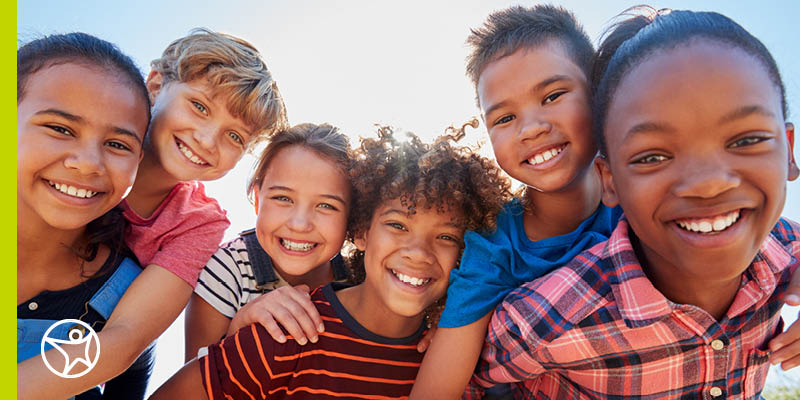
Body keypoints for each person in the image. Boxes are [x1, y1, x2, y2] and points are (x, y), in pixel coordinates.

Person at [466, 7, 800, 399]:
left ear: (789, 152)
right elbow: (473, 383)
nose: (709, 184)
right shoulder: (545, 319)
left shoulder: (778, 248)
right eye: (652, 157)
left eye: (745, 140)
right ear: (611, 180)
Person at [18, 29, 288, 399]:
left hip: (105, 343)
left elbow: (125, 341)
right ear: (157, 84)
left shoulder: (198, 221)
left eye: (235, 137)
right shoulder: (72, 159)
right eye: (199, 107)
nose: (207, 140)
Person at [150, 125, 511, 399]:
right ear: (362, 231)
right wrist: (241, 328)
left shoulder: (451, 358)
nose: (418, 252)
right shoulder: (285, 333)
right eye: (397, 225)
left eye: (447, 237)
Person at [411, 5, 620, 398]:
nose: (531, 128)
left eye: (553, 95)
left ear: (599, 92)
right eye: (504, 119)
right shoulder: (494, 246)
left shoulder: (638, 197)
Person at [17, 33, 153, 399]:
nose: (88, 163)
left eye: (117, 144)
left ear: (139, 160)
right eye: (60, 129)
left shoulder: (127, 293)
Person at [185, 123, 353, 361]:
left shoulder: (360, 279)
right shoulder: (228, 270)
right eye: (283, 198)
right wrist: (241, 325)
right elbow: (191, 383)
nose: (299, 224)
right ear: (257, 199)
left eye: (326, 206)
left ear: (353, 216)